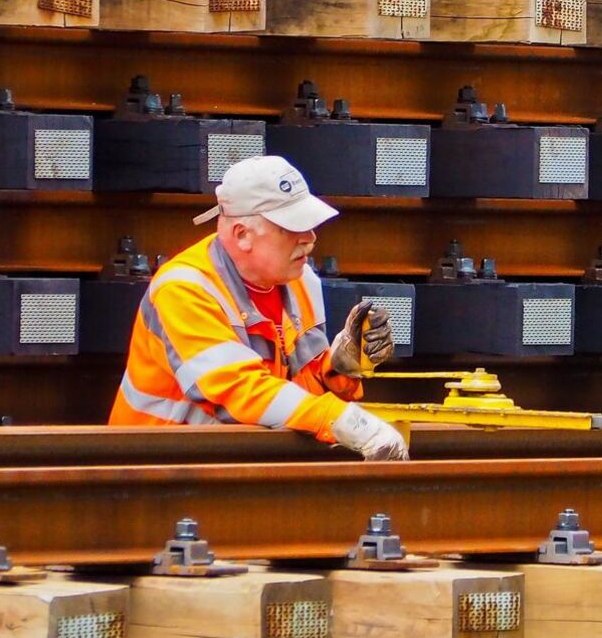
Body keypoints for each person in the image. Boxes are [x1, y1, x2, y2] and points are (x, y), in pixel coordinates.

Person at [109, 156, 409, 461]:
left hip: (228, 464)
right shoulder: (184, 289)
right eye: (292, 227)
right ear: (242, 235)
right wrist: (347, 422)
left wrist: (338, 368)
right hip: (157, 470)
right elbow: (239, 391)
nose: (310, 239)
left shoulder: (300, 279)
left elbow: (293, 394)